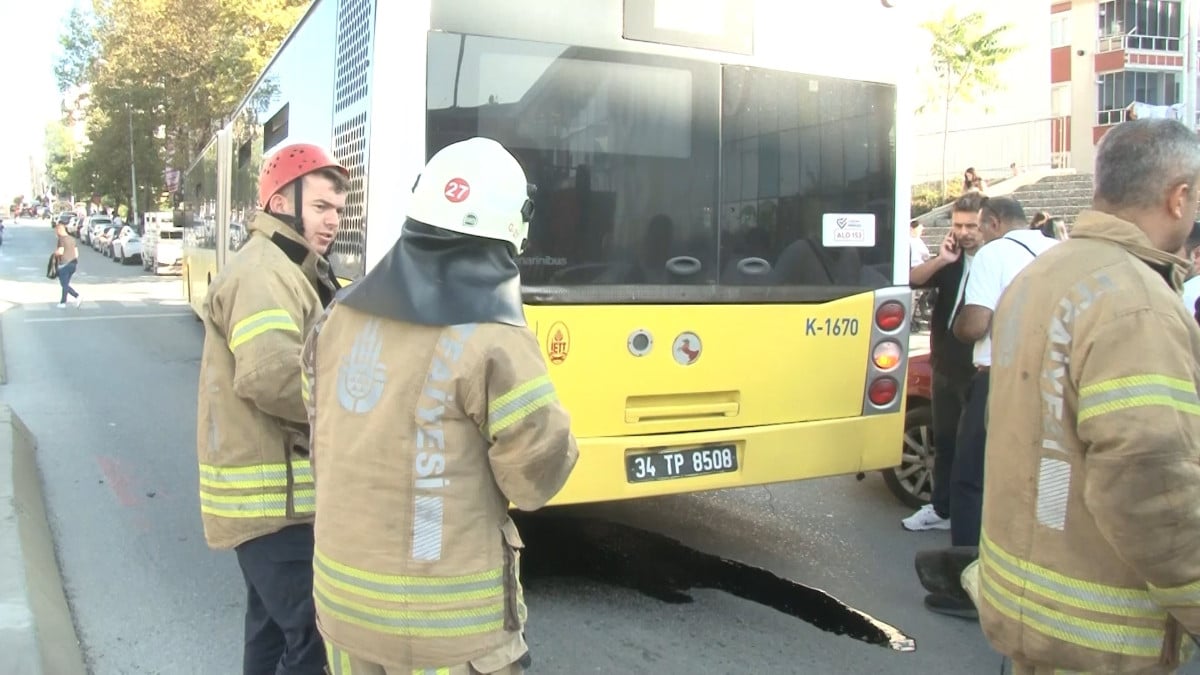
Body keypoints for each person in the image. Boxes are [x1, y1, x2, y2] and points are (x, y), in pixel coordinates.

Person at [301, 137, 579, 675]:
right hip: (447, 635)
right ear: (511, 230)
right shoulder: (496, 339)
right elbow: (535, 476)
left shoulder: (340, 313)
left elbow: (318, 414)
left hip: (341, 606)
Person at [977, 118, 1200, 673]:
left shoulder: (1041, 274)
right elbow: (1149, 481)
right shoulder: (1135, 302)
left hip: (1026, 612)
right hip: (1099, 639)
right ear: (1179, 197)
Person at [195, 142, 349, 675]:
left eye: (338, 209)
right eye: (322, 206)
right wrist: (352, 410)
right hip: (274, 505)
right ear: (283, 201)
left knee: (268, 636)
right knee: (316, 638)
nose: (334, 221)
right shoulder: (265, 271)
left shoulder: (291, 267)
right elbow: (269, 374)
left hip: (276, 502)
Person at [902, 192, 986, 534]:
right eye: (958, 225)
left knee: (974, 448)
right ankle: (941, 508)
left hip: (979, 369)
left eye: (971, 225)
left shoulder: (996, 261)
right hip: (944, 365)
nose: (964, 232)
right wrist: (941, 259)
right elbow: (912, 279)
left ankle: (972, 519)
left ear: (988, 224)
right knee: (947, 441)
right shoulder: (951, 261)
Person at [53, 220, 81, 308]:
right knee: (65, 284)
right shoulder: (72, 239)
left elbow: (60, 251)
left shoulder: (61, 239)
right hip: (73, 264)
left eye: (56, 231)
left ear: (59, 230)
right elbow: (76, 254)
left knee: (64, 284)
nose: (56, 233)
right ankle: (63, 302)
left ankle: (77, 296)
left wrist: (55, 253)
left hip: (64, 265)